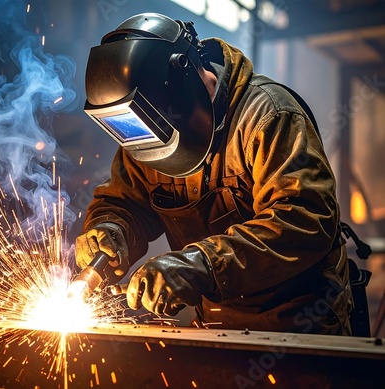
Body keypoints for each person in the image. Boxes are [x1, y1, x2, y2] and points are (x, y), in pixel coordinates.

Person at [75, 12, 354, 335]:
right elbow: (127, 203)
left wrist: (203, 265)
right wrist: (112, 229)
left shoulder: (269, 116)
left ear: (185, 78)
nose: (153, 146)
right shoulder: (143, 127)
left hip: (299, 322)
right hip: (217, 320)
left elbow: (305, 219)